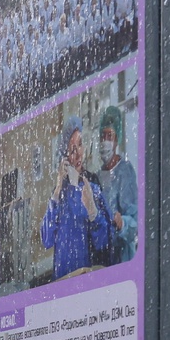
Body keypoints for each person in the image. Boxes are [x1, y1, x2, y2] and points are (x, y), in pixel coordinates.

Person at [38, 118, 112, 280]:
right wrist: (57, 189)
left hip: (87, 279)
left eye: (79, 144)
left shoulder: (92, 187)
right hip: (63, 280)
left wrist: (93, 212)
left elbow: (104, 242)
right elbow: (46, 240)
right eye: (72, 150)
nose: (78, 153)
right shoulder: (59, 196)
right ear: (64, 158)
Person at [95, 105, 138, 267]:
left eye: (110, 136)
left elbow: (135, 222)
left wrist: (122, 224)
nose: (105, 141)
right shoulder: (97, 177)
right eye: (102, 136)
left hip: (122, 260)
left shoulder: (125, 171)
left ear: (117, 140)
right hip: (102, 258)